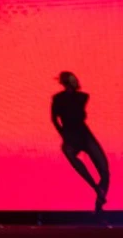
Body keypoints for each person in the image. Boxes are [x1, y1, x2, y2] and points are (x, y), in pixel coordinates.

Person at [52, 71, 109, 212]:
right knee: (73, 157)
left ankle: (99, 197)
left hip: (83, 134)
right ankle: (97, 190)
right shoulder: (58, 99)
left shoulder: (82, 97)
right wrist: (64, 135)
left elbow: (56, 119)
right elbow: (54, 119)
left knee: (104, 170)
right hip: (72, 135)